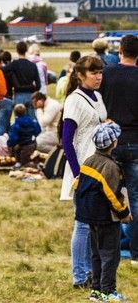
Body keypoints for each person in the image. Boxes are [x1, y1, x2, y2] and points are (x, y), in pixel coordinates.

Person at [60, 55, 107, 289]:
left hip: (99, 166)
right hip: (82, 167)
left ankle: (89, 271)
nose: (99, 76)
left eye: (100, 72)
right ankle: (79, 276)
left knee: (94, 224)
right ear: (80, 75)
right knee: (83, 224)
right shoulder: (74, 101)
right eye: (93, 72)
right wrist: (78, 173)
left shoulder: (97, 96)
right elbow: (66, 141)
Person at [73, 122, 131, 301]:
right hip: (106, 218)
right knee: (111, 256)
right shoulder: (111, 167)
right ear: (113, 143)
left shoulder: (88, 161)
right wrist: (124, 214)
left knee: (96, 254)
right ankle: (108, 291)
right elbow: (112, 196)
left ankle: (96, 290)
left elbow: (77, 185)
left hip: (89, 216)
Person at [100, 34, 138, 267]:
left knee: (108, 195)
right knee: (134, 197)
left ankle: (109, 248)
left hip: (111, 141)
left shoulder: (108, 74)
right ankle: (135, 251)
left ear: (120, 50)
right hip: (135, 141)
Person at [3, 41, 41, 118]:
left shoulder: (14, 64)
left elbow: (3, 70)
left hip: (18, 95)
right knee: (31, 121)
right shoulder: (32, 65)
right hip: (30, 95)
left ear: (17, 50)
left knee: (19, 121)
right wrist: (31, 87)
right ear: (26, 50)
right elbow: (38, 85)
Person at [0, 50, 14, 137]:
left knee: (0, 123)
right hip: (9, 96)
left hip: (0, 97)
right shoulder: (11, 71)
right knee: (7, 122)